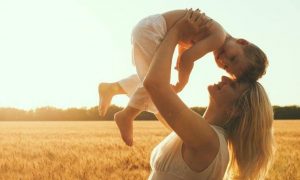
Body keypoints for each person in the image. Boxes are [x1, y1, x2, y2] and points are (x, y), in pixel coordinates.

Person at [98, 8, 268, 146]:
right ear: (242, 42)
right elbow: (188, 58)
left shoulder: (215, 32)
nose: (223, 60)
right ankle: (127, 115)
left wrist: (179, 59)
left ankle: (111, 88)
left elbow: (184, 45)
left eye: (226, 67)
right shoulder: (218, 37)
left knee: (150, 78)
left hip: (149, 28)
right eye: (233, 58)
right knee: (157, 83)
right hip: (153, 32)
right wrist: (182, 82)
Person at [142, 10, 275, 180]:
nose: (224, 77)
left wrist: (176, 32)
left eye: (233, 85)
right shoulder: (204, 135)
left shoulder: (209, 141)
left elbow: (154, 85)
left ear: (236, 110)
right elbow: (157, 102)